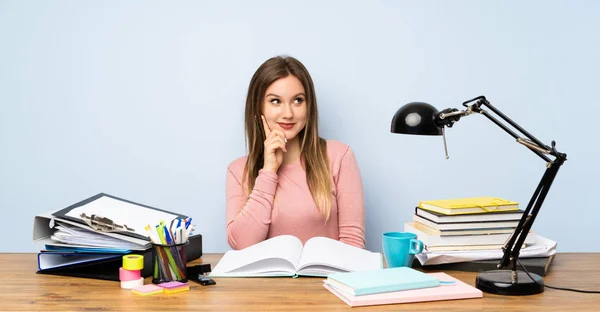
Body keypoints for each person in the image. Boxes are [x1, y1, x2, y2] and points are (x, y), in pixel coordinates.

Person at [225, 55, 365, 250]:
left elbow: (353, 243)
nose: (288, 113)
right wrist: (268, 171)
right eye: (275, 101)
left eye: (298, 100)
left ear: (309, 107)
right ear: (258, 108)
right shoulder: (238, 170)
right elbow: (241, 244)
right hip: (265, 280)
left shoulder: (339, 156)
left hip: (327, 278)